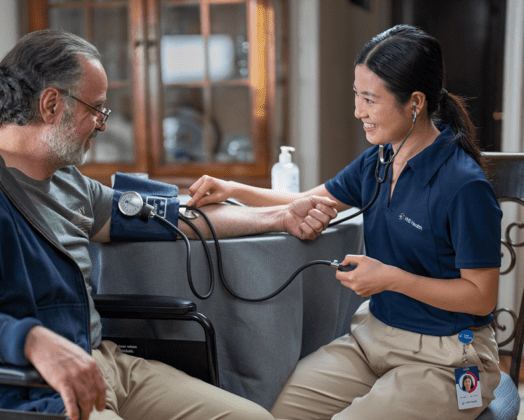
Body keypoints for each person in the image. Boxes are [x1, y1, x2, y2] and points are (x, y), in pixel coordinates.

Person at [0, 30, 338, 420]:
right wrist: (32, 341)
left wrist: (277, 215)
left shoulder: (68, 183)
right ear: (51, 104)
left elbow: (179, 219)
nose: (102, 126)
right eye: (97, 110)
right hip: (24, 387)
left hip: (103, 361)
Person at [187, 24, 502, 419]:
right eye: (357, 94)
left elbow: (480, 295)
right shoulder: (381, 159)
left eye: (370, 99)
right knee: (275, 411)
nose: (358, 111)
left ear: (415, 102)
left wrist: (390, 278)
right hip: (376, 338)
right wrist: (232, 188)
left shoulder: (463, 186)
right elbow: (308, 200)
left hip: (446, 357)